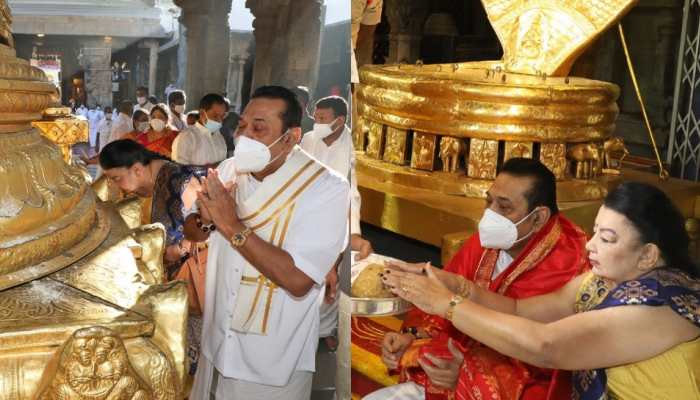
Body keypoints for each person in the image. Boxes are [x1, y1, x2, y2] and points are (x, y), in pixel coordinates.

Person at [384, 181, 700, 400]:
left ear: (648, 255)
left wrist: (446, 303)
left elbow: (546, 345)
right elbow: (520, 311)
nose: (589, 245)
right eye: (594, 233)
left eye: (606, 238)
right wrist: (454, 284)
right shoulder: (602, 282)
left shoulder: (658, 307)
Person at [367, 158, 590, 400]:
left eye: (504, 207)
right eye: (488, 201)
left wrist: (465, 373)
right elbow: (446, 302)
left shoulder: (568, 263)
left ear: (538, 218)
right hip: (454, 368)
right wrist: (411, 336)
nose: (490, 214)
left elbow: (543, 356)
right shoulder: (493, 239)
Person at [186, 86, 349, 400]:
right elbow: (193, 231)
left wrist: (230, 222)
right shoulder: (230, 169)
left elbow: (298, 279)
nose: (245, 136)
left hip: (272, 358)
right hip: (217, 339)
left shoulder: (326, 188)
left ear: (291, 136)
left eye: (259, 128)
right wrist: (207, 219)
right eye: (243, 126)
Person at [99, 139, 206, 377]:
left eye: (116, 178)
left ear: (137, 169)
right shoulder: (153, 182)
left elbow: (206, 229)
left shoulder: (181, 181)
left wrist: (177, 250)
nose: (115, 186)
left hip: (192, 282)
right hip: (171, 282)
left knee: (194, 363)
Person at [301, 95, 371, 350]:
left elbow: (353, 192)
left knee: (332, 278)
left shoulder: (352, 147)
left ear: (339, 121)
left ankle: (325, 331)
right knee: (306, 274)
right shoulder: (309, 140)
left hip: (338, 216)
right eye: (315, 118)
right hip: (307, 216)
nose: (316, 123)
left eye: (322, 119)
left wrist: (352, 233)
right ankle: (303, 328)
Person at [172, 93, 227, 167]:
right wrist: (211, 168)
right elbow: (179, 170)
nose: (220, 121)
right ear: (202, 113)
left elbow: (225, 166)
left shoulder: (220, 137)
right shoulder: (186, 137)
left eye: (222, 116)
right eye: (215, 116)